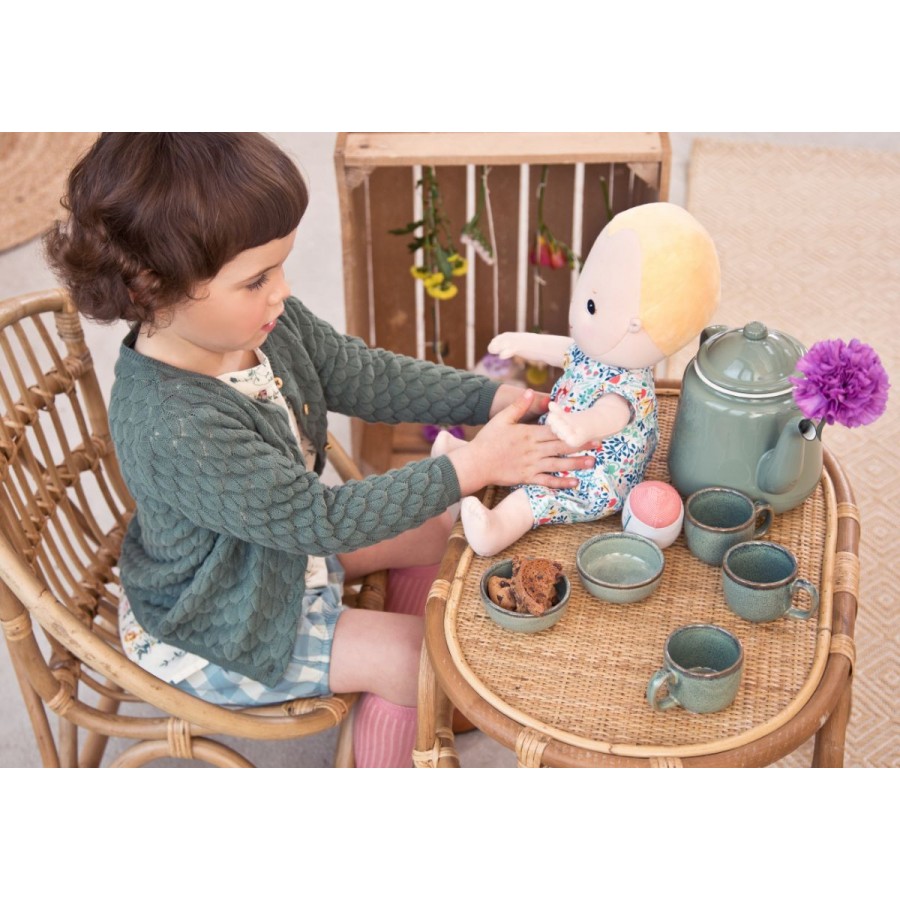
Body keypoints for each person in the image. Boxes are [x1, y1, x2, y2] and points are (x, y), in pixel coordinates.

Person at [43, 133, 596, 767]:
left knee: (436, 530)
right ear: (150, 287)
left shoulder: (259, 325)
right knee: (413, 659)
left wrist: (490, 399)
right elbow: (319, 519)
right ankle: (403, 702)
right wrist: (470, 466)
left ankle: (412, 686)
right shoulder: (173, 425)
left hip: (270, 551)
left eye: (279, 266)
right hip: (219, 618)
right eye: (256, 279)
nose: (280, 291)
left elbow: (367, 376)